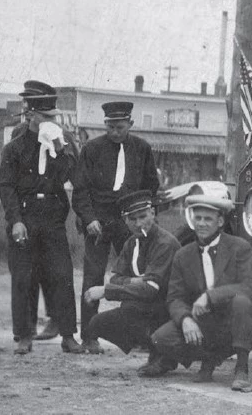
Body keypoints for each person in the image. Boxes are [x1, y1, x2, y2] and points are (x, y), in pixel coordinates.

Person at [0, 80, 84, 355]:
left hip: (53, 217)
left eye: (53, 118)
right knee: (23, 276)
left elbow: (75, 176)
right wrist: (16, 220)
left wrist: (59, 148)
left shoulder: (63, 142)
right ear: (32, 116)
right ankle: (24, 335)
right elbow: (6, 186)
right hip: (25, 215)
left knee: (61, 275)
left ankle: (69, 335)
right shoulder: (15, 147)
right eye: (46, 118)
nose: (51, 122)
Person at [73, 101, 160, 354]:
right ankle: (89, 337)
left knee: (137, 277)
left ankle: (139, 335)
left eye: (120, 127)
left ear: (130, 124)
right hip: (98, 223)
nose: (114, 132)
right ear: (105, 124)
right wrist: (89, 219)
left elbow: (151, 186)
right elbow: (80, 190)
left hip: (129, 222)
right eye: (110, 127)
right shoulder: (91, 149)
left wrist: (140, 217)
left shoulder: (142, 149)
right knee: (93, 275)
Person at [151, 195, 252, 392]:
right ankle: (209, 358)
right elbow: (175, 297)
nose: (201, 223)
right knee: (161, 338)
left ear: (220, 222)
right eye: (198, 218)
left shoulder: (239, 247)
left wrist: (211, 296)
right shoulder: (183, 255)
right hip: (204, 322)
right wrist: (185, 319)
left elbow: (250, 287)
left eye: (208, 219)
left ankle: (241, 369)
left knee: (242, 302)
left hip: (233, 319)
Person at [83, 190, 180, 377]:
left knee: (148, 306)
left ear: (152, 213)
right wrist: (136, 281)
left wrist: (106, 291)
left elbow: (151, 290)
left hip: (168, 307)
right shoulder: (131, 243)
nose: (138, 223)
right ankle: (151, 346)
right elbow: (116, 277)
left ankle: (164, 355)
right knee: (96, 323)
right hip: (143, 305)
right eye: (132, 219)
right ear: (125, 221)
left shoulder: (165, 243)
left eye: (143, 216)